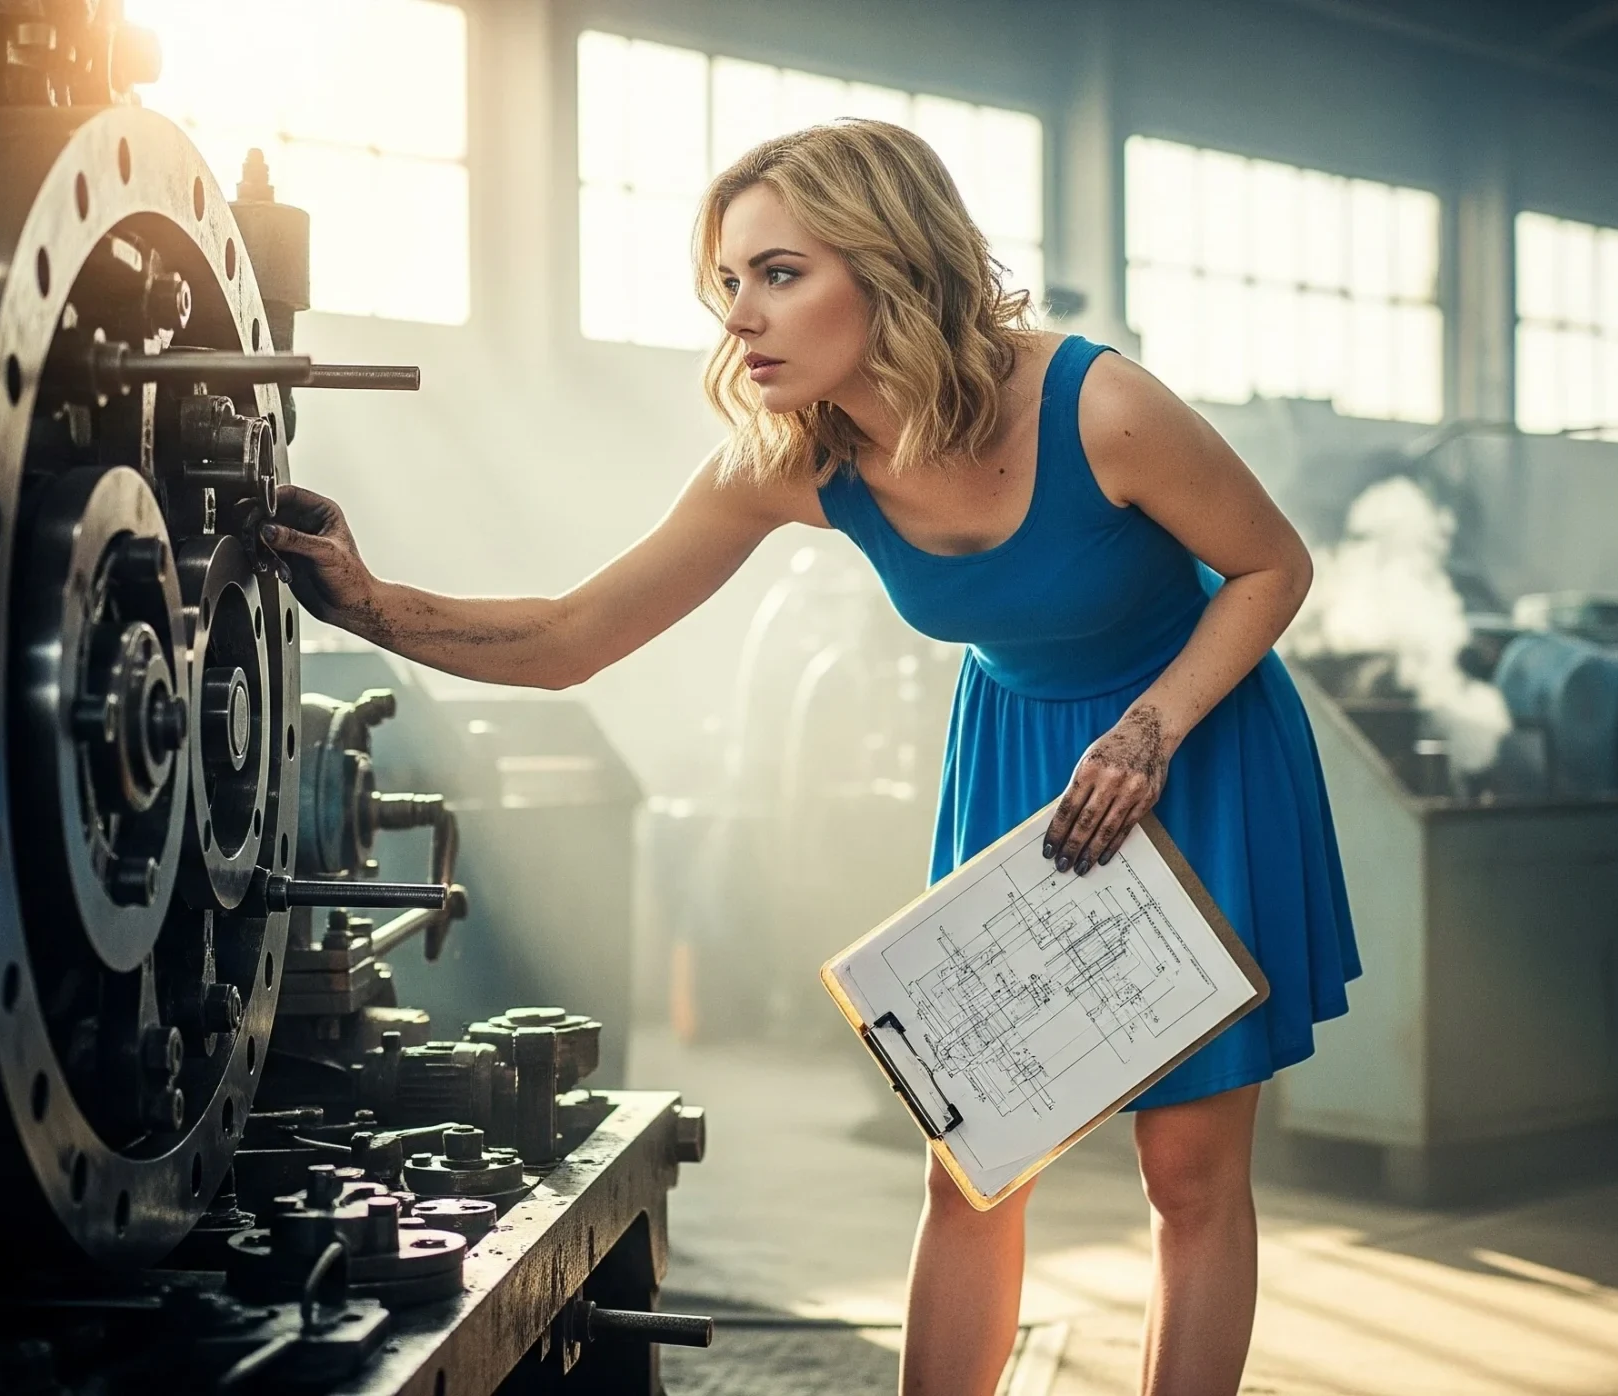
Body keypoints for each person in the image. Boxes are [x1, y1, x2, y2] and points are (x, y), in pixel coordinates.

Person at [263, 119, 1360, 1396]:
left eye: (779, 273)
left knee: (1185, 1172)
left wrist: (1152, 729)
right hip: (1016, 764)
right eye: (729, 282)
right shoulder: (791, 464)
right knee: (976, 1152)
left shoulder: (1096, 403)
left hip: (1190, 741)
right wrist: (368, 603)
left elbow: (1272, 565)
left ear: (888, 266)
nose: (742, 316)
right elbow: (572, 637)